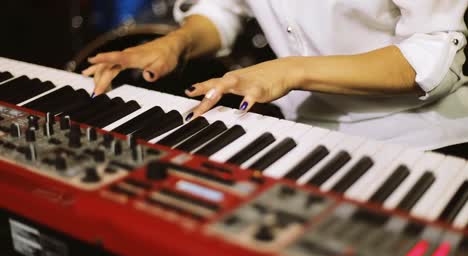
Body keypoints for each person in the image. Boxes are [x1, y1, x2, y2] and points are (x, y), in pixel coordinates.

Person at [83, 0, 468, 151]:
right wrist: (177, 43)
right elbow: (223, 9)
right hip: (305, 135)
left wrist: (291, 71)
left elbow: (433, 51)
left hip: (421, 134)